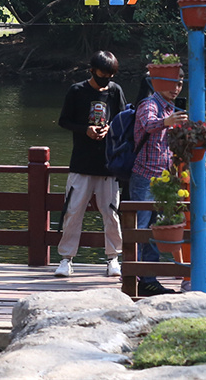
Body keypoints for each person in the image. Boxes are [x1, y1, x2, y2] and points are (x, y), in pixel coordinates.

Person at [113, 72, 187, 296]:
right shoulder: (149, 104)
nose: (176, 88)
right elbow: (147, 124)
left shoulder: (170, 107)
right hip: (145, 176)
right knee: (141, 227)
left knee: (157, 229)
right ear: (159, 83)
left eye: (179, 84)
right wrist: (167, 122)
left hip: (164, 178)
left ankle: (149, 278)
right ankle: (132, 276)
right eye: (172, 83)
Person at [55, 50, 127, 278]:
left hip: (108, 166)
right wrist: (85, 129)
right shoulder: (76, 91)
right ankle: (66, 258)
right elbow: (64, 121)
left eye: (110, 75)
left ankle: (113, 258)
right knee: (73, 211)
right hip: (81, 164)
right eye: (103, 74)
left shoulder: (115, 91)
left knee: (111, 213)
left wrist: (110, 129)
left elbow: (124, 120)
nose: (106, 79)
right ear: (92, 71)